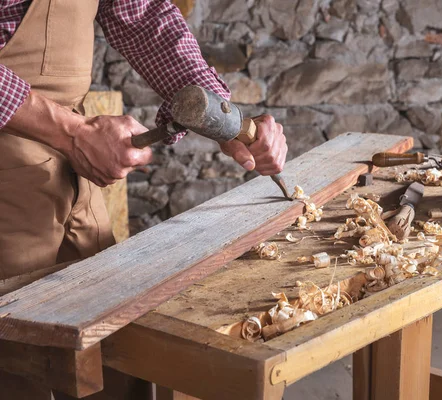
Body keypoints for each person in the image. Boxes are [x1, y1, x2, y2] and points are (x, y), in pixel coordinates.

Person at [0, 0, 288, 287]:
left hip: (71, 170)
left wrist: (219, 114)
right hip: (10, 173)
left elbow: (140, 14)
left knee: (97, 307)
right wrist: (72, 133)